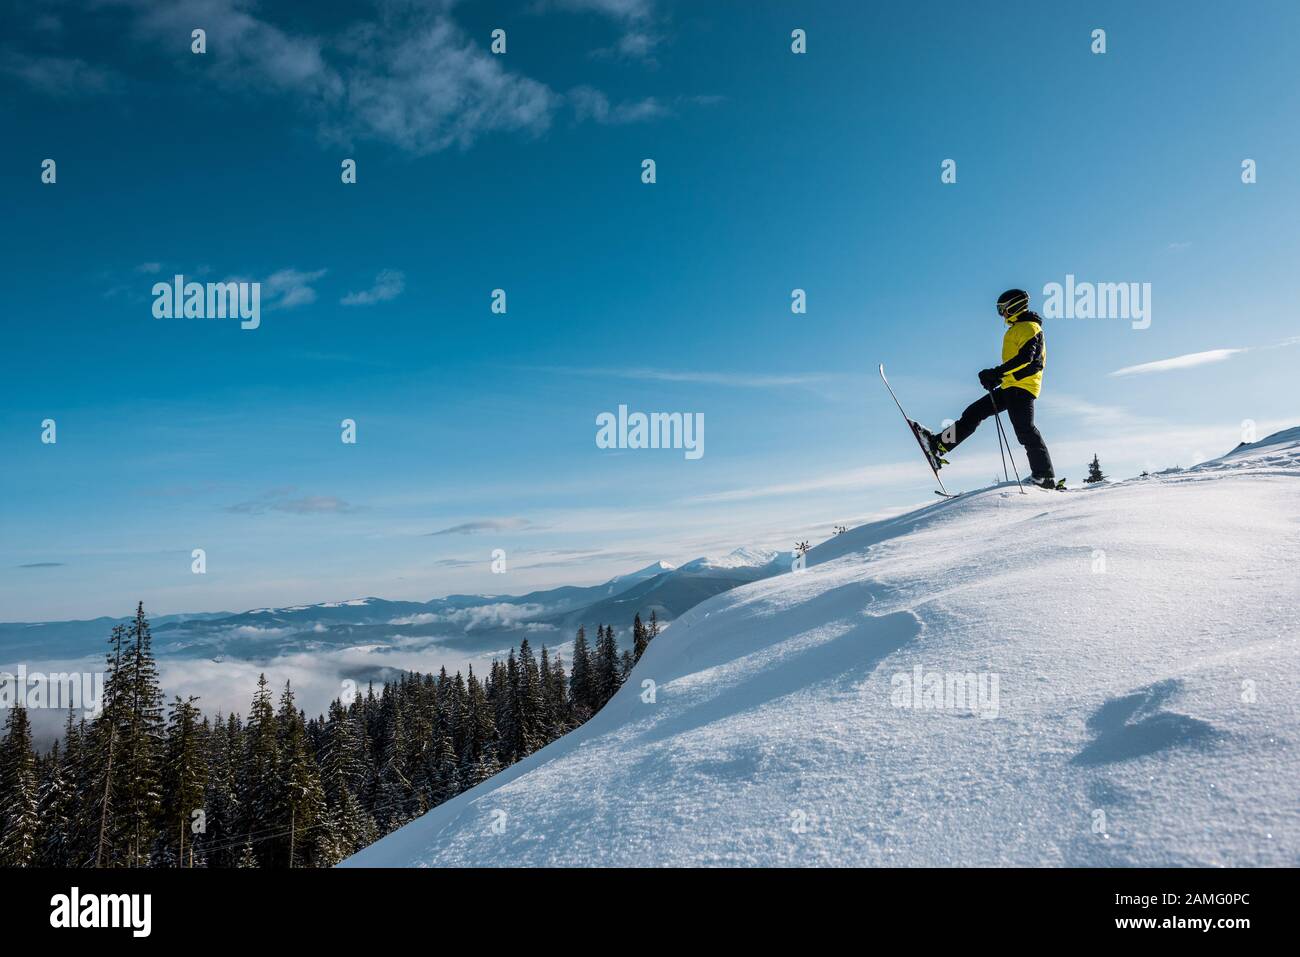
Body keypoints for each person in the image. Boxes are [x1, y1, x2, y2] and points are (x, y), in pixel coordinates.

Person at [916, 289, 1059, 488]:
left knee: (1025, 430)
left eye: (1003, 309)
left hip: (1022, 388)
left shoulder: (1029, 327)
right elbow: (1017, 363)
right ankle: (938, 445)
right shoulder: (1017, 328)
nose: (1002, 314)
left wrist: (997, 373)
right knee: (974, 413)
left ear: (1015, 306)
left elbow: (1028, 360)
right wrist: (997, 379)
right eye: (999, 310)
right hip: (1011, 386)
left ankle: (1045, 477)